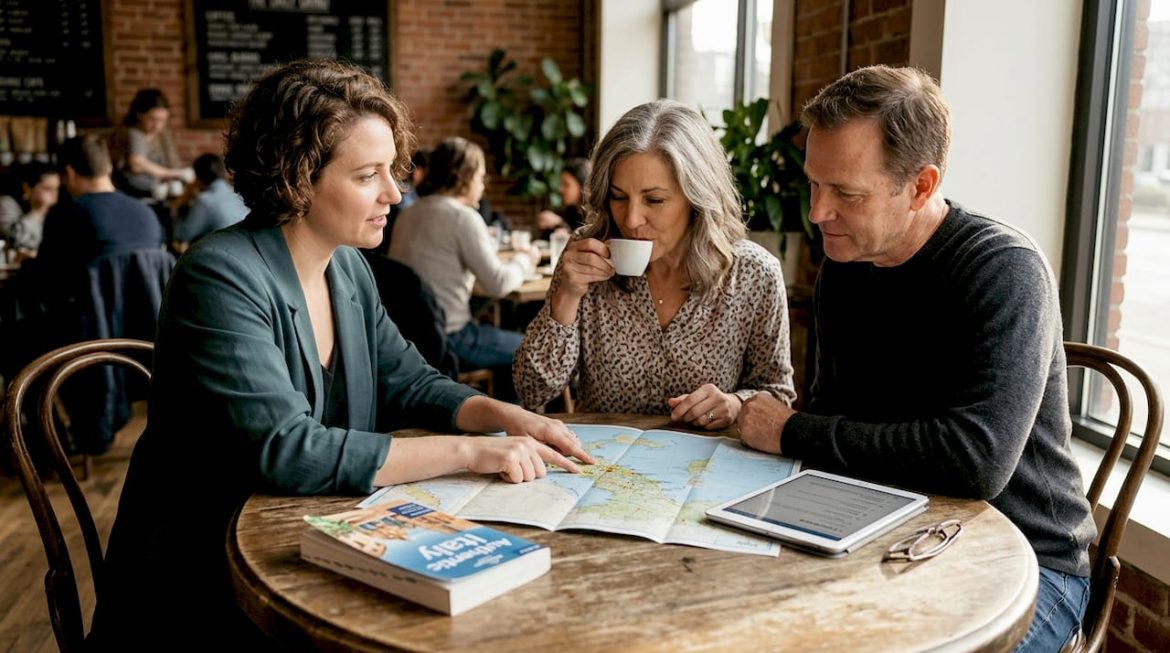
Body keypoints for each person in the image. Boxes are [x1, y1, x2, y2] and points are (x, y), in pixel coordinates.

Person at [92, 60, 591, 647]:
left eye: (392, 170)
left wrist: (507, 416)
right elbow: (288, 450)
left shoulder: (347, 267)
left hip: (310, 539)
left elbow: (410, 381)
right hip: (205, 580)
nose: (394, 192)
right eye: (366, 176)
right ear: (297, 179)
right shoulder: (219, 274)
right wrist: (474, 450)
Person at [734, 65, 1094, 653]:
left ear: (922, 187)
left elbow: (974, 462)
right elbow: (834, 418)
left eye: (845, 193)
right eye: (813, 184)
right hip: (883, 526)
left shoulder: (1004, 270)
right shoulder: (844, 265)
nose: (818, 213)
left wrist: (794, 430)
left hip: (1029, 560)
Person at [513, 99, 796, 425]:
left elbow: (777, 392)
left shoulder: (753, 274)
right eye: (619, 197)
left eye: (654, 200)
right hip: (598, 465)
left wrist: (735, 404)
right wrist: (566, 296)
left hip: (706, 468)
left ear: (697, 198)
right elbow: (532, 390)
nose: (631, 220)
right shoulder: (585, 256)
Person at [389, 137, 541, 400]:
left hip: (408, 337)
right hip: (450, 338)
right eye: (481, 178)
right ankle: (507, 424)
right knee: (528, 347)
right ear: (465, 177)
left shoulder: (409, 213)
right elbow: (498, 283)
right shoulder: (462, 217)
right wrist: (525, 259)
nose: (482, 187)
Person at [108, 88, 187, 199]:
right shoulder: (130, 133)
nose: (157, 125)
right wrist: (170, 173)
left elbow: (173, 162)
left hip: (162, 192)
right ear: (139, 115)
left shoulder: (163, 136)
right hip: (132, 192)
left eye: (162, 120)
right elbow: (136, 164)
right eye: (152, 119)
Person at [170, 152, 248, 248]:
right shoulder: (237, 194)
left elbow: (182, 235)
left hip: (222, 252)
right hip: (244, 249)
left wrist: (182, 202)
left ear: (198, 178)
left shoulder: (205, 200)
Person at [0, 161, 60, 255]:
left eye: (56, 189)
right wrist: (37, 211)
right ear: (27, 187)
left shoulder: (55, 210)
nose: (54, 195)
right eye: (47, 189)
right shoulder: (6, 203)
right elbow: (15, 239)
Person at [535, 157, 590, 238]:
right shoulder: (570, 211)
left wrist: (560, 223)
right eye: (561, 184)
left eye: (566, 185)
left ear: (583, 187)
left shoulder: (595, 215)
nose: (560, 189)